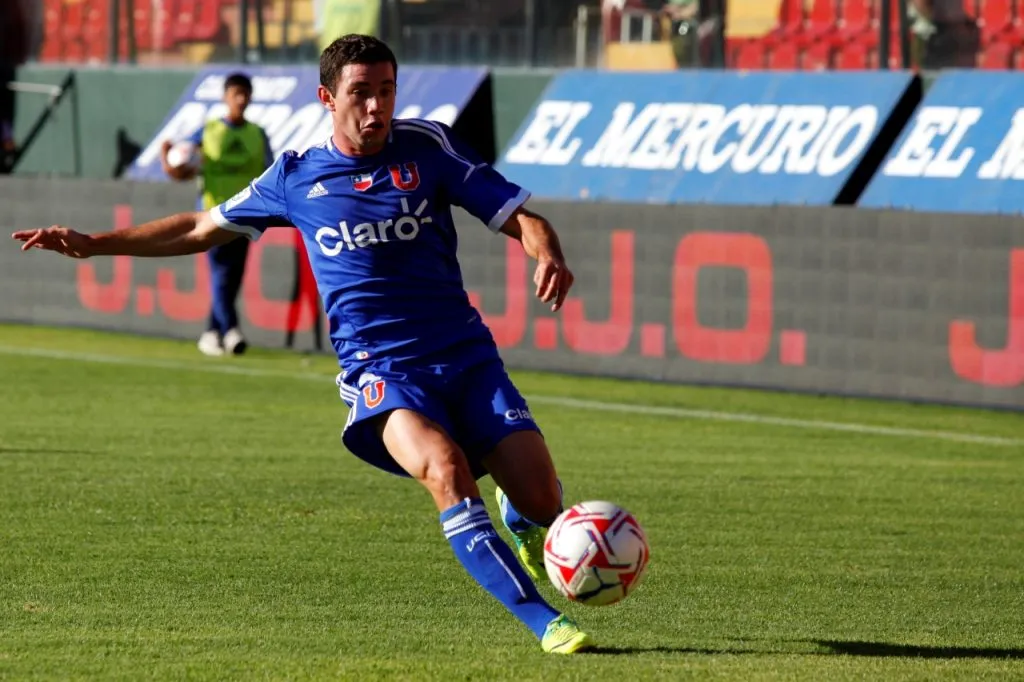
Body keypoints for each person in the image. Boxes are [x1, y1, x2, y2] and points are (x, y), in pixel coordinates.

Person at [12, 34, 593, 654]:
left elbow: (519, 215)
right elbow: (201, 226)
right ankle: (545, 622)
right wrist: (96, 243)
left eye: (387, 91)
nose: (376, 107)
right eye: (361, 93)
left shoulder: (428, 146)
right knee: (445, 471)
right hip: (381, 369)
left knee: (542, 497)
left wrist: (547, 253)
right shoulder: (295, 176)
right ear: (327, 97)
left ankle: (522, 512)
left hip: (466, 357)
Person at [160, 73, 273, 357]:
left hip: (246, 215)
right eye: (236, 94)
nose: (241, 99)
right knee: (222, 273)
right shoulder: (207, 131)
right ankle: (232, 330)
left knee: (232, 278)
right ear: (225, 97)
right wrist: (169, 161)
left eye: (245, 94)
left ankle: (211, 333)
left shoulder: (257, 134)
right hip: (213, 215)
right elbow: (181, 165)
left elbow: (270, 172)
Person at [661, 0, 700, 68]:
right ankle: (678, 62)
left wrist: (679, 14)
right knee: (675, 43)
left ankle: (689, 63)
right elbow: (668, 8)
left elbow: (693, 8)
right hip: (673, 22)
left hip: (686, 22)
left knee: (682, 32)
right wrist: (675, 10)